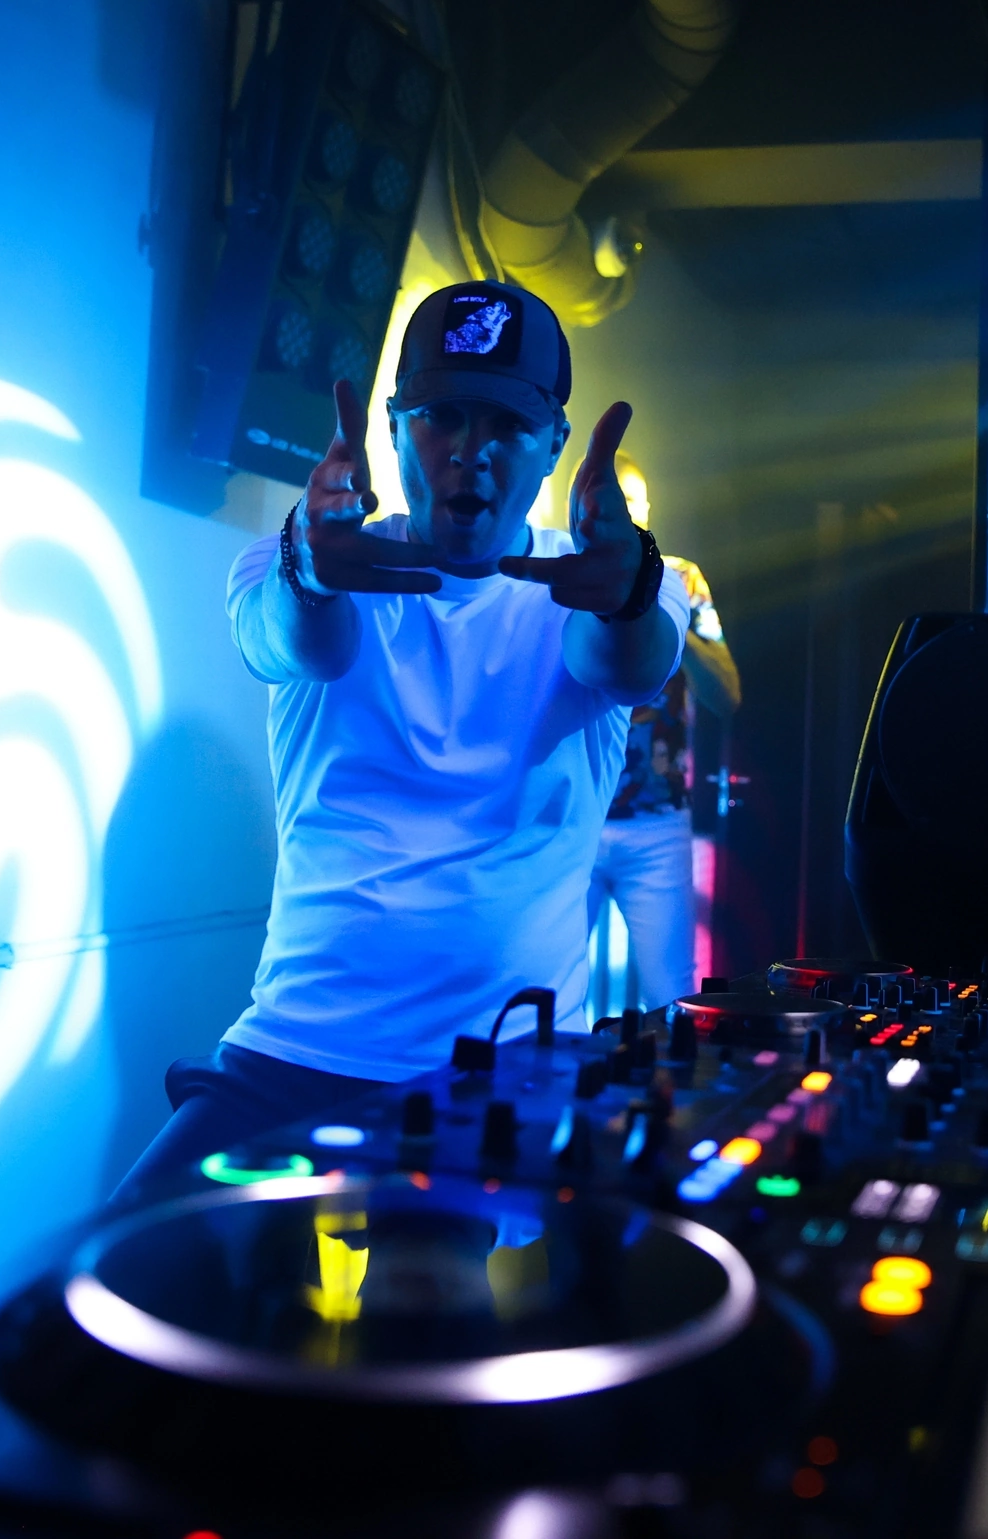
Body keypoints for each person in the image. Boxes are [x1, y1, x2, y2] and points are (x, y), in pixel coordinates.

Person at [112, 281, 688, 1205]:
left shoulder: (602, 586)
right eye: (441, 416)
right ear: (393, 426)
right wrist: (310, 568)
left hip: (509, 1067)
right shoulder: (290, 561)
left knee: (442, 1289)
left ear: (554, 444)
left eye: (507, 424)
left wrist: (626, 594)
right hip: (292, 1051)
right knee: (112, 1270)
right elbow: (303, 642)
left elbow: (625, 662)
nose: (470, 451)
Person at [587, 451, 740, 1020]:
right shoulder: (563, 570)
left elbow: (727, 694)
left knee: (675, 999)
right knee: (539, 986)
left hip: (656, 826)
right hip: (573, 814)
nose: (629, 513)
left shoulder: (680, 579)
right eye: (617, 501)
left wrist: (664, 615)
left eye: (638, 502)